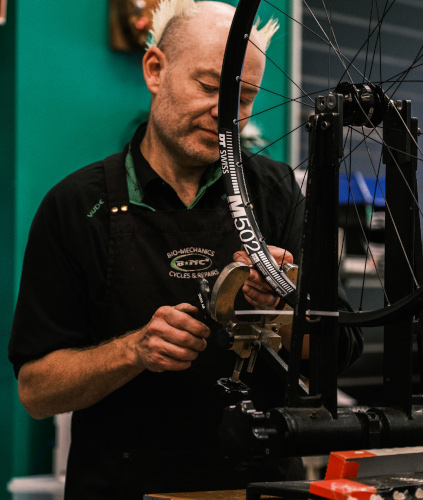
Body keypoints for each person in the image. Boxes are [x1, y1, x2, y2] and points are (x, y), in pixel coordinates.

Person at [8, 1, 363, 498]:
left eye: (243, 98)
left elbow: (339, 351)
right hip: (123, 486)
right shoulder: (76, 206)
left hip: (261, 486)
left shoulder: (278, 191)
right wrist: (134, 351)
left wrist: (284, 301)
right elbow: (36, 391)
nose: (226, 114)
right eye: (209, 87)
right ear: (155, 69)